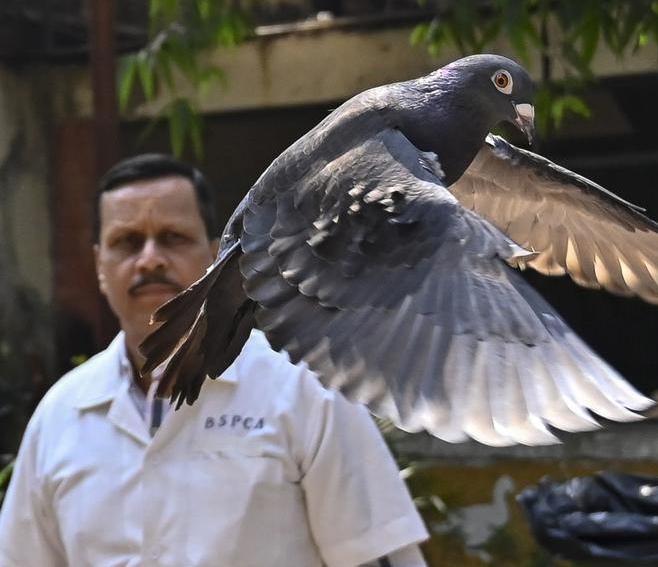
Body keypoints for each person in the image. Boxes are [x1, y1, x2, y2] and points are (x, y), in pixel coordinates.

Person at [0, 154, 429, 567]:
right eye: (127, 242)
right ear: (99, 264)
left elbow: (377, 555)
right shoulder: (60, 417)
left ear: (214, 254)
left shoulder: (303, 390)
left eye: (172, 237)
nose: (149, 258)